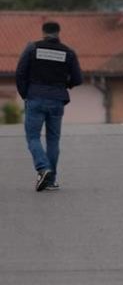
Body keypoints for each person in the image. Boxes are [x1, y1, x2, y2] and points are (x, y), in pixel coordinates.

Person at [15, 21, 83, 192]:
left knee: (33, 137)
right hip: (57, 99)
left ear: (43, 32)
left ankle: (43, 168)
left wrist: (26, 94)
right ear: (59, 33)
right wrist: (64, 85)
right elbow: (78, 79)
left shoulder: (32, 48)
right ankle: (51, 180)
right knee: (53, 140)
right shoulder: (68, 52)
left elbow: (20, 72)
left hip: (35, 97)